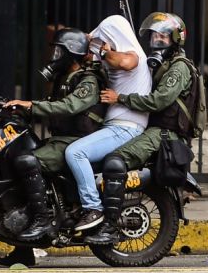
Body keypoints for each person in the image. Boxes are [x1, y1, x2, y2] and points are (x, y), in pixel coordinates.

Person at [0, 28, 106, 267]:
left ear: (72, 53)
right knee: (13, 159)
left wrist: (32, 105)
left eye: (59, 50)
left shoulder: (87, 80)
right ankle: (23, 250)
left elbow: (69, 106)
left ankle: (43, 220)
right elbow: (53, 103)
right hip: (61, 139)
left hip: (76, 140)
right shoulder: (64, 78)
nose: (55, 55)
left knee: (27, 161)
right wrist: (20, 108)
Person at [86, 12, 197, 245]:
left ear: (175, 40)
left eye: (163, 37)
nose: (157, 40)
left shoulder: (179, 68)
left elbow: (159, 101)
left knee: (116, 160)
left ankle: (110, 226)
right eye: (154, 36)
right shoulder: (161, 66)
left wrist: (121, 99)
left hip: (165, 134)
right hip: (153, 129)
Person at [63, 15, 152, 231]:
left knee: (75, 153)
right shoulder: (114, 59)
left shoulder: (133, 56)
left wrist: (101, 47)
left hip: (125, 128)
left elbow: (125, 61)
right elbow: (88, 59)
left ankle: (93, 208)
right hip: (116, 126)